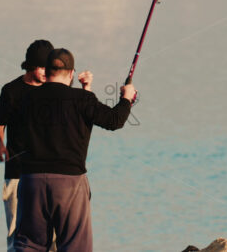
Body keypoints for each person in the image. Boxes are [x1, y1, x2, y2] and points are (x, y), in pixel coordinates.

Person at [14, 48, 136, 251]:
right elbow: (114, 120)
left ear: (47, 71)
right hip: (69, 182)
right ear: (71, 73)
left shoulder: (25, 99)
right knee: (74, 246)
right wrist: (126, 98)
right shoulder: (82, 99)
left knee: (28, 246)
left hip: (31, 182)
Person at [0, 41, 93, 252]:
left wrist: (86, 89)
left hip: (54, 179)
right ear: (29, 67)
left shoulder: (57, 91)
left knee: (56, 244)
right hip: (19, 175)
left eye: (49, 68)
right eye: (42, 68)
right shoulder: (12, 91)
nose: (47, 73)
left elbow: (80, 112)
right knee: (18, 240)